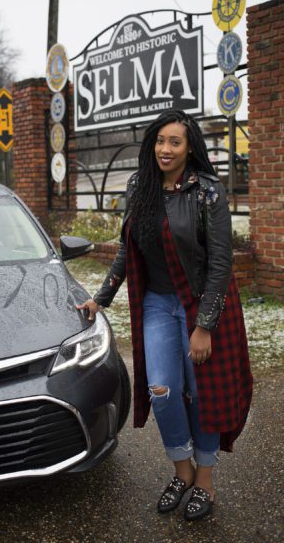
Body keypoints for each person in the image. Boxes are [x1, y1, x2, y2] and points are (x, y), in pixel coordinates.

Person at [77, 109, 253, 521]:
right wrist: (101, 298)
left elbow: (221, 263)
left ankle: (204, 479)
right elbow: (127, 249)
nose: (165, 149)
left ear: (190, 147)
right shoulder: (140, 186)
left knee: (203, 392)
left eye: (175, 141)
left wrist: (204, 326)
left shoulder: (208, 191)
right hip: (156, 303)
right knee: (163, 389)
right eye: (160, 140)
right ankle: (182, 469)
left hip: (200, 303)